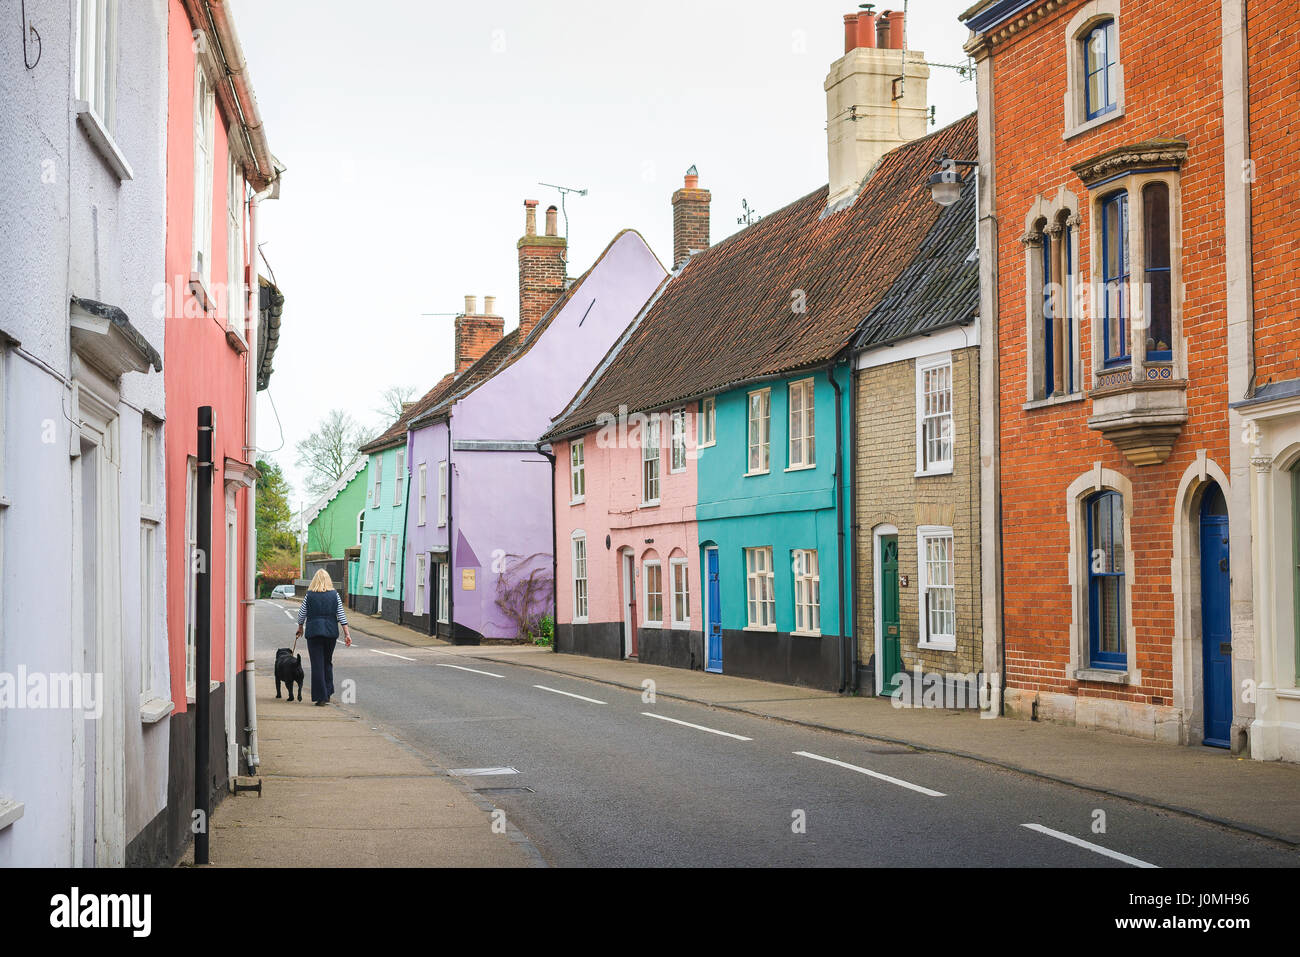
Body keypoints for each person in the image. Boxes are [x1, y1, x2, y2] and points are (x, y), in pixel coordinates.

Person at [295, 570, 352, 706]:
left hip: (314, 632)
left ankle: (321, 697)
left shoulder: (309, 595)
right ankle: (328, 692)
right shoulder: (334, 595)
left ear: (314, 581)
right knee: (327, 662)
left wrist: (300, 626)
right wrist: (347, 634)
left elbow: (301, 614)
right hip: (330, 633)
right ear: (328, 580)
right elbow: (341, 614)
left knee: (317, 664)